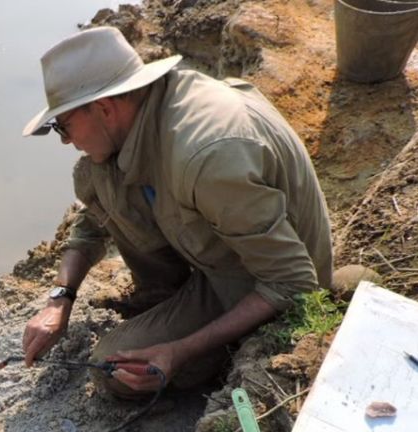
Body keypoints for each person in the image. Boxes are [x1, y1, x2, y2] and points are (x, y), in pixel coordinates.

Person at [21, 26, 333, 397]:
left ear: (104, 108)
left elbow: (293, 282)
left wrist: (179, 351)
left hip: (265, 284)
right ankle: (169, 301)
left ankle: (215, 350)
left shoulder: (206, 155)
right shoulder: (146, 115)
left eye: (64, 125)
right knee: (98, 175)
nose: (65, 140)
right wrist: (60, 299)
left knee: (112, 368)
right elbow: (93, 222)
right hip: (229, 250)